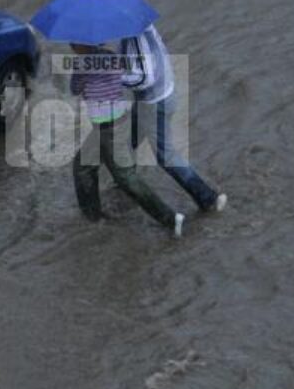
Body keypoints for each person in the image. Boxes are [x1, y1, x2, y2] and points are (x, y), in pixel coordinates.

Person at [69, 43, 186, 237]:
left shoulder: (84, 63)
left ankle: (170, 218)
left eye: (73, 44)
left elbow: (74, 89)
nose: (71, 47)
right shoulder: (109, 55)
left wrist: (80, 71)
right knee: (82, 167)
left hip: (109, 127)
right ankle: (92, 218)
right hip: (114, 121)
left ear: (82, 45)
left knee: (125, 178)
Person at [121, 24, 227, 212]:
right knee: (132, 139)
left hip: (155, 103)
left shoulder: (136, 39)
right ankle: (123, 179)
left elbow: (145, 78)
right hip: (162, 94)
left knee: (166, 156)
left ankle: (208, 198)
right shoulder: (145, 28)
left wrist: (114, 78)